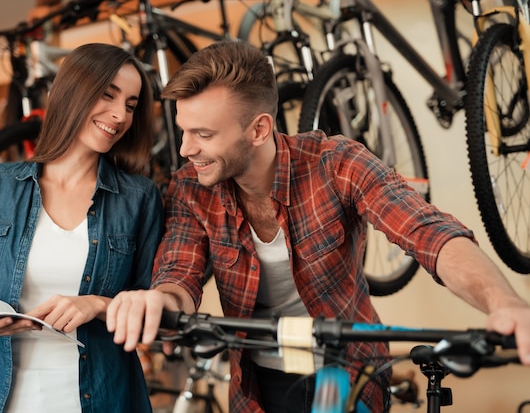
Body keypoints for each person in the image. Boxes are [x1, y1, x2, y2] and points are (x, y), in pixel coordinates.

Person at [106, 40, 530, 412]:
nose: (186, 149)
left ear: (259, 129)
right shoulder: (192, 189)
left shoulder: (336, 163)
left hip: (344, 370)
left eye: (203, 134)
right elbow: (179, 274)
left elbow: (429, 233)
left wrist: (504, 304)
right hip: (254, 383)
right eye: (183, 131)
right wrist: (160, 301)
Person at [0, 43, 164, 412]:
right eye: (108, 96)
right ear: (72, 92)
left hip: (103, 398)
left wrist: (95, 305)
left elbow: (151, 308)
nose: (119, 115)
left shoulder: (139, 197)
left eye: (130, 105)